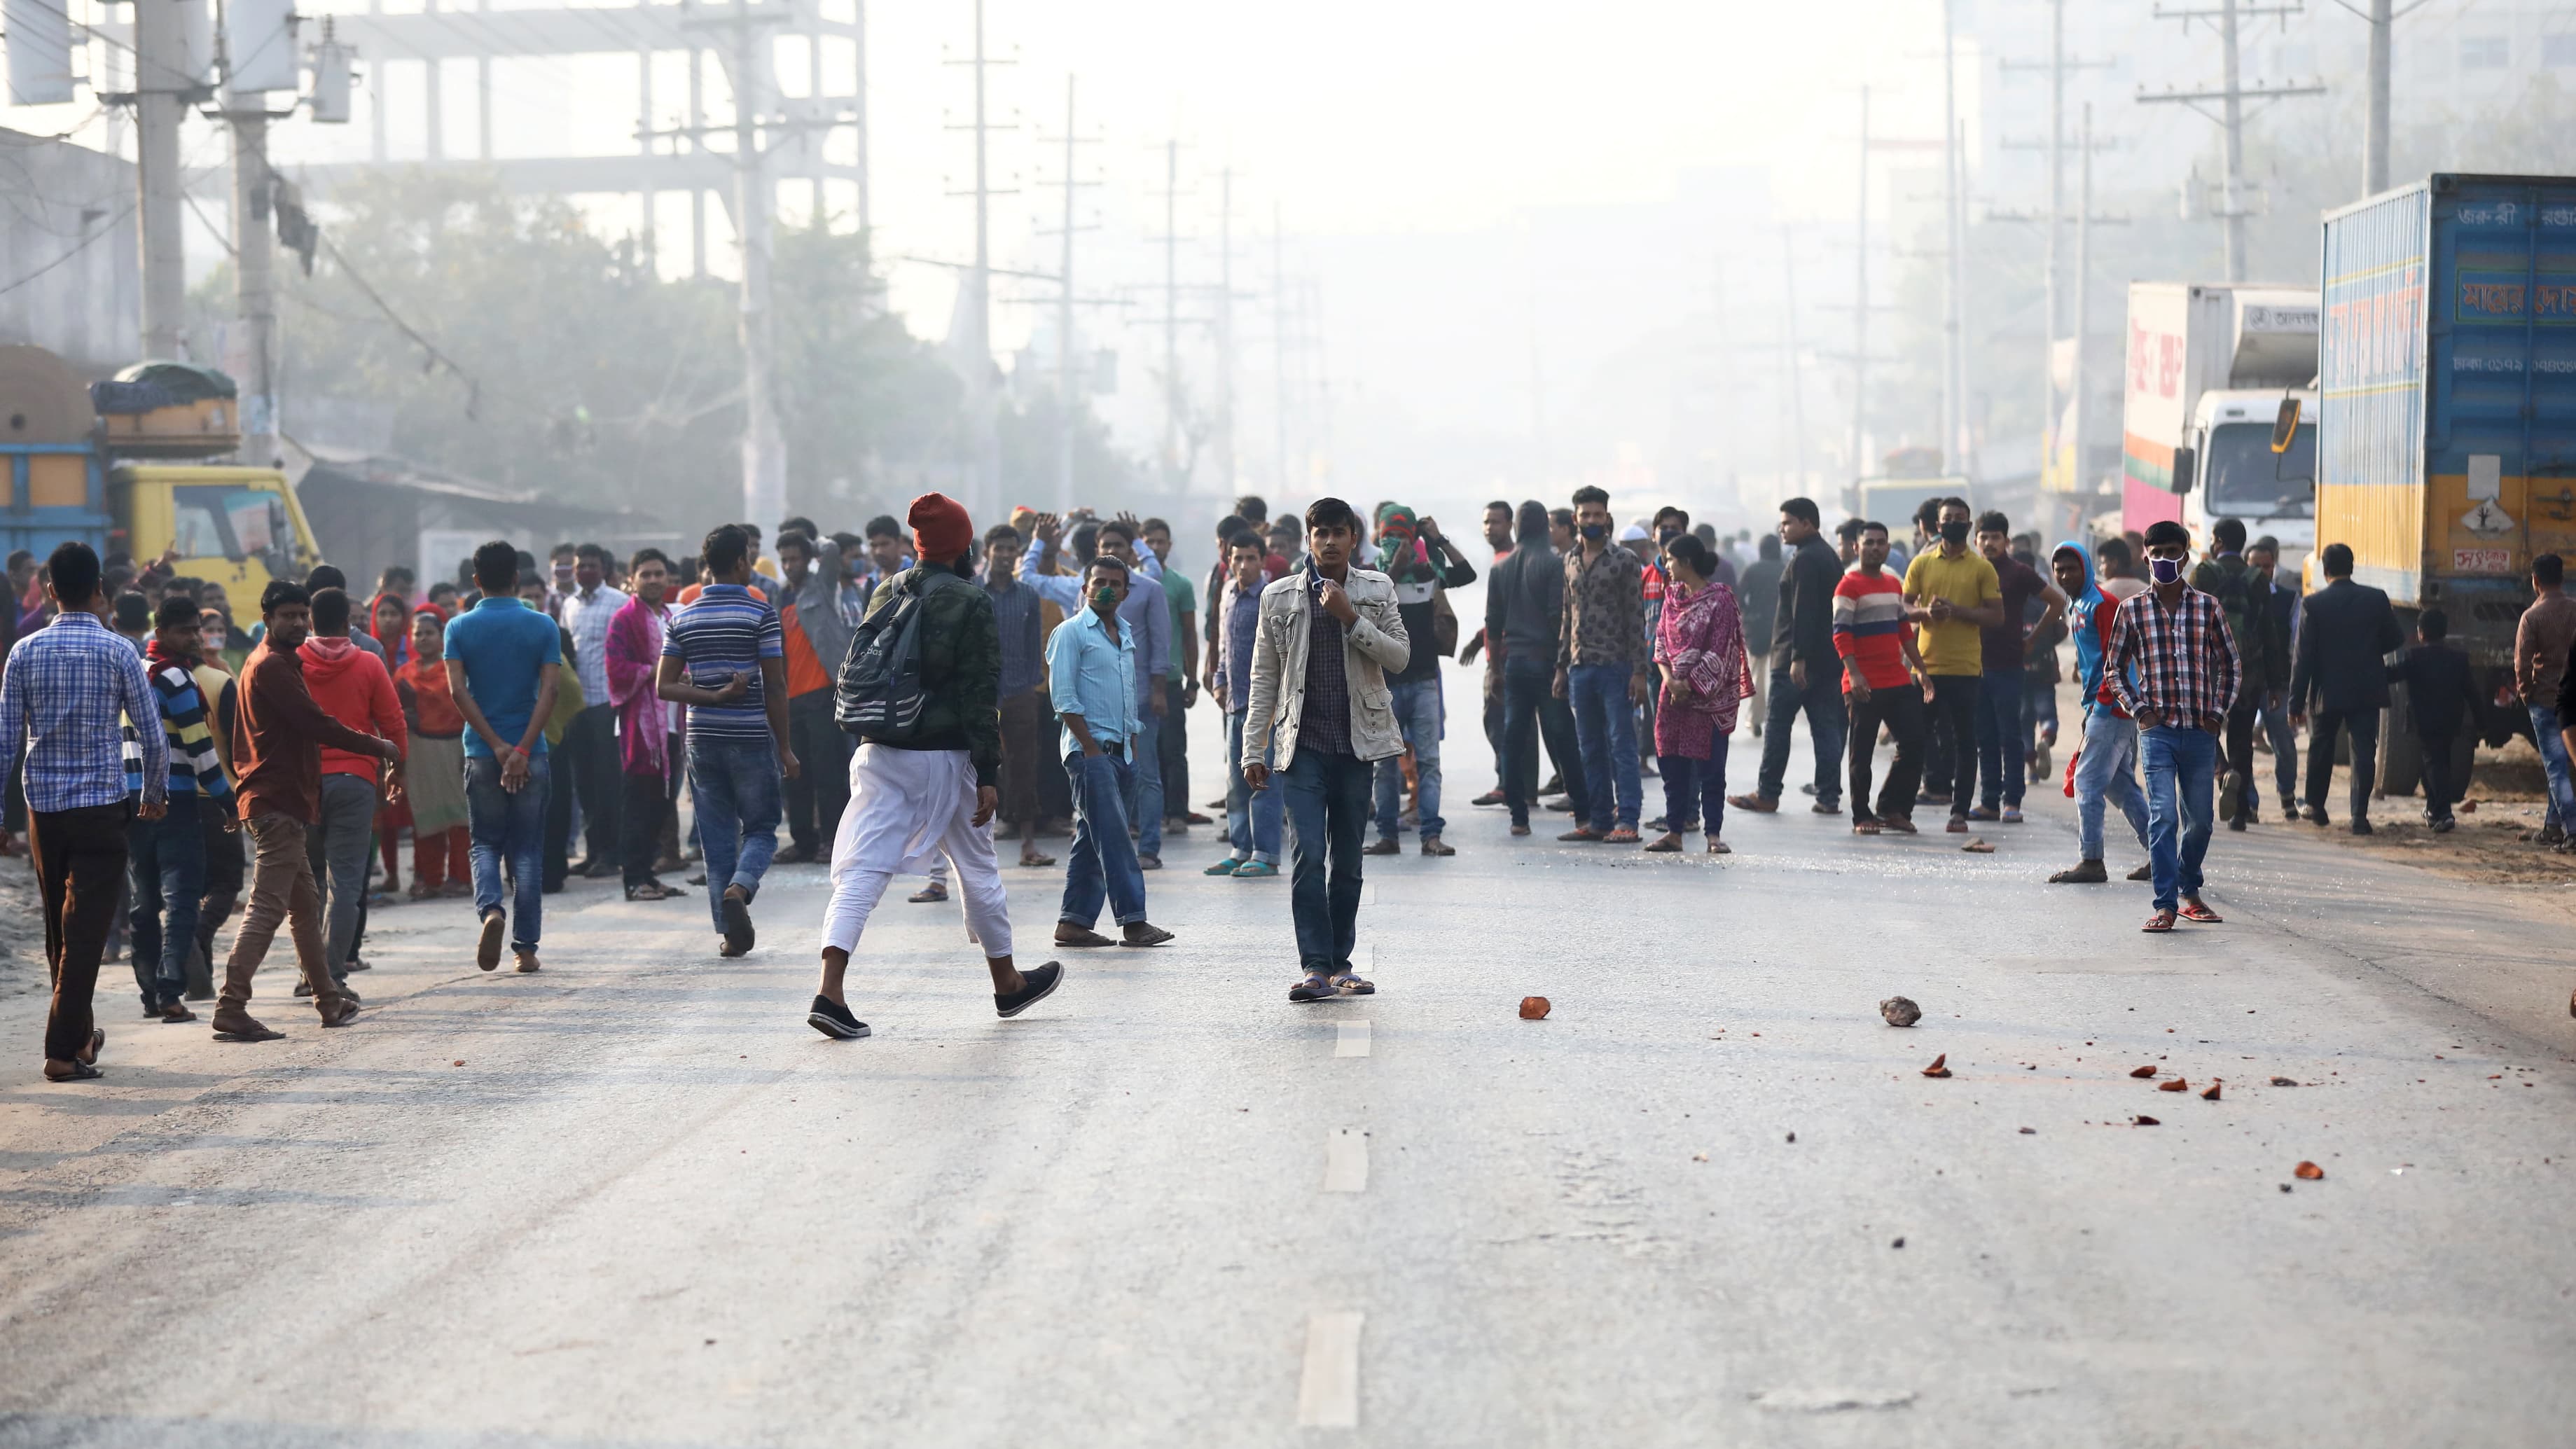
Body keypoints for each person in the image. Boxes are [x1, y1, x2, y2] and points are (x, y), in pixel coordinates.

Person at [808, 493, 1060, 1039]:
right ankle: (1007, 981)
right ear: (964, 545)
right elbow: (978, 693)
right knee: (978, 866)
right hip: (943, 758)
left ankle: (830, 991)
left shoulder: (886, 589)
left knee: (862, 871)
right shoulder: (969, 601)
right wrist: (989, 773)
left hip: (877, 750)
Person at [2, 544, 167, 1079]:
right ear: (101, 589)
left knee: (61, 930)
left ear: (50, 590)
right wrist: (154, 791)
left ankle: (79, 1041)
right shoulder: (120, 651)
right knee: (87, 932)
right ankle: (60, 1050)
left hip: (44, 809)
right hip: (101, 806)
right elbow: (152, 735)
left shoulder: (24, 652)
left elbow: (6, 743)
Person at [213, 581, 402, 1039]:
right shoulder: (272, 666)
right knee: (267, 906)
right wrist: (376, 745)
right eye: (289, 616)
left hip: (282, 800)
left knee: (305, 904)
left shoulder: (277, 662)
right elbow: (317, 723)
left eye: (303, 615)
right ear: (268, 619)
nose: (298, 622)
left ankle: (328, 998)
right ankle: (231, 1003)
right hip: (275, 801)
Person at [1242, 497, 1409, 1001]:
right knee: (1309, 856)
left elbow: (1400, 657)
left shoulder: (1376, 589)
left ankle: (1342, 963)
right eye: (1322, 533)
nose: (1331, 542)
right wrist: (1254, 747)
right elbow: (1264, 676)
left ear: (1353, 539)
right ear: (1309, 539)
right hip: (1303, 748)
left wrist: (1351, 618)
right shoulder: (1278, 596)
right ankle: (1315, 964)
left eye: (1340, 533)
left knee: (1349, 862)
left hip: (1358, 746)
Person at [659, 524, 796, 957]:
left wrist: (711, 696)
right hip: (751, 735)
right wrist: (786, 747)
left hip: (703, 738)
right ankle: (740, 888)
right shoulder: (761, 615)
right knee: (761, 829)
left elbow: (664, 686)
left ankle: (730, 934)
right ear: (741, 563)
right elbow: (775, 686)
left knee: (716, 837)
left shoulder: (683, 618)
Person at [2107, 520, 2242, 931]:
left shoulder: (2208, 607)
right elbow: (2114, 671)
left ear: (2186, 554)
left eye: (2173, 551)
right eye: (2157, 552)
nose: (2165, 559)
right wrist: (2139, 711)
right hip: (2157, 731)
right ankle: (2165, 903)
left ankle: (2189, 889)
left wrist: (2218, 713)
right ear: (2146, 555)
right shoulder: (2131, 610)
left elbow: (2231, 666)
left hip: (2200, 732)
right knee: (2164, 815)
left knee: (2200, 820)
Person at [1046, 553, 1174, 949]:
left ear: (1125, 591)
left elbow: (1128, 693)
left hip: (1124, 752)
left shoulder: (1126, 632)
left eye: (1114, 583)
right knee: (1116, 836)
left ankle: (1073, 922)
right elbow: (1064, 699)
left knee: (1093, 836)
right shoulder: (1071, 633)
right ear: (1085, 586)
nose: (1106, 588)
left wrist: (1132, 743)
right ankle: (1134, 922)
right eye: (1098, 580)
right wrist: (1090, 749)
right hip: (1090, 754)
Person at [445, 541, 562, 973]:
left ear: (476, 581)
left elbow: (458, 691)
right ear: (516, 577)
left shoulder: (457, 627)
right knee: (527, 848)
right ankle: (526, 948)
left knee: (485, 843)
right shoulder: (543, 625)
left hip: (481, 750)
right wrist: (523, 749)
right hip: (531, 751)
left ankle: (491, 910)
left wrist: (495, 745)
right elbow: (549, 690)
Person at [123, 597, 231, 1023]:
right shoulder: (177, 678)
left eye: (195, 630)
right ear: (161, 630)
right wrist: (225, 799)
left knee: (144, 900)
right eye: (185, 631)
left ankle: (149, 992)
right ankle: (170, 991)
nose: (193, 638)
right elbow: (201, 747)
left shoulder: (136, 671)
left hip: (133, 797)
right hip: (177, 798)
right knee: (182, 897)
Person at [298, 588, 407, 998]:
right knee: (346, 883)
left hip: (304, 784)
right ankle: (332, 976)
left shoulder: (291, 663)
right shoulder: (368, 662)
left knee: (308, 884)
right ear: (349, 624)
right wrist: (397, 770)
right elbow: (393, 723)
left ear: (310, 622)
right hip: (356, 780)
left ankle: (309, 974)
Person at [1364, 506, 1476, 857]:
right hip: (1386, 685)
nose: (1396, 542)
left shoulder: (1429, 575)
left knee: (1429, 762)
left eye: (1403, 534)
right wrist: (1399, 561)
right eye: (1390, 535)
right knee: (1384, 766)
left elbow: (1466, 574)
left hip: (1425, 681)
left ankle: (1431, 835)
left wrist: (1437, 538)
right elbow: (1381, 595)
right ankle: (1388, 835)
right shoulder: (1369, 576)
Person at [2047, 540, 2154, 885]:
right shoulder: (2077, 604)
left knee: (2088, 783)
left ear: (2086, 568)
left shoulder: (2102, 604)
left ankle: (2092, 860)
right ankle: (2162, 854)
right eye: (2059, 570)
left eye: (2071, 568)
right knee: (2119, 787)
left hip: (2113, 706)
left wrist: (2103, 704)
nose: (2065, 575)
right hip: (2102, 705)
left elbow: (2116, 659)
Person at [1733, 497, 1848, 817]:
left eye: (1787, 523)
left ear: (1807, 523)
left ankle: (1768, 794)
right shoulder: (1824, 555)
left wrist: (1798, 658)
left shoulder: (1807, 559)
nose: (1782, 529)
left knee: (1778, 727)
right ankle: (1828, 796)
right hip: (1826, 658)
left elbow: (1804, 612)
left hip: (1796, 661)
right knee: (1825, 728)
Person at [1644, 534, 1750, 854]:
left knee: (1711, 770)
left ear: (1687, 562)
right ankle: (1674, 832)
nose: (1668, 566)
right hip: (1672, 696)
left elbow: (1718, 651)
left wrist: (1689, 686)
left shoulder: (1720, 601)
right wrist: (1671, 682)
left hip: (1709, 698)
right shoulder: (1671, 596)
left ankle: (1713, 834)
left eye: (1671, 560)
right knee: (1672, 765)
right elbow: (1660, 643)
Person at [1901, 499, 2003, 832]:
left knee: (1964, 742)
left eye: (1961, 518)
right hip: (1926, 669)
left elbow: (1996, 616)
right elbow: (1902, 609)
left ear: (1969, 525)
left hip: (1965, 670)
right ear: (1938, 524)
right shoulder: (1921, 564)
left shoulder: (1982, 568)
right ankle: (1902, 810)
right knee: (1915, 740)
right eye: (1948, 519)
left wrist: (1957, 611)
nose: (1955, 523)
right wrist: (1926, 614)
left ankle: (1959, 812)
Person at [1489, 501, 1590, 836]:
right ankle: (1583, 813)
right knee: (1564, 737)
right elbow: (1556, 619)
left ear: (1516, 526)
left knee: (1514, 738)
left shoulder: (1502, 568)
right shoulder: (1553, 564)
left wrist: (1495, 670)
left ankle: (1519, 816)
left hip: (1514, 664)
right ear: (1544, 528)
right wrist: (1562, 666)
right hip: (1546, 663)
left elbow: (1493, 624)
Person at [2288, 542, 2403, 834]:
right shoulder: (2376, 599)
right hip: (2367, 687)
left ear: (2324, 570)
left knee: (2321, 746)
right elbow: (2396, 639)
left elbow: (2303, 658)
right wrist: (2369, 650)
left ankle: (2316, 807)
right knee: (2364, 749)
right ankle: (2359, 816)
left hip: (2326, 689)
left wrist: (2295, 703)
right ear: (2352, 567)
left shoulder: (2313, 604)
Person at [1553, 486, 1647, 843]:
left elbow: (1635, 618)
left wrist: (1640, 672)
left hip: (1616, 667)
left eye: (1597, 514)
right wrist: (1561, 667)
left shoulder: (1624, 561)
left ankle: (1628, 821)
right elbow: (1567, 616)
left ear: (1607, 518)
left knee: (1621, 745)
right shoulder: (1570, 561)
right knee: (1589, 748)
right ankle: (1598, 820)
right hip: (1580, 666)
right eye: (1585, 515)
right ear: (1576, 519)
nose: (1592, 520)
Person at [2189, 518, 2289, 830]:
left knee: (2204, 729)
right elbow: (2270, 633)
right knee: (2242, 739)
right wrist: (2275, 683)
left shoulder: (2202, 574)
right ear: (2242, 544)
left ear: (2217, 541)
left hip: (2208, 671)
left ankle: (2223, 772)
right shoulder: (2258, 578)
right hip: (2249, 673)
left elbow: (2189, 624)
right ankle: (2241, 813)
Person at [1834, 522, 1932, 835]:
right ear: (1856, 548)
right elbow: (1841, 634)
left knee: (1915, 743)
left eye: (1880, 543)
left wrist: (1922, 672)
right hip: (1862, 683)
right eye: (1869, 543)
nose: (1875, 548)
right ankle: (1861, 815)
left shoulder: (1893, 584)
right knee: (1861, 752)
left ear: (1888, 548)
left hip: (1897, 679)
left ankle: (1893, 808)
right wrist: (1854, 673)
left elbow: (1904, 633)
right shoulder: (1847, 586)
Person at [1969, 511, 2065, 825]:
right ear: (1975, 540)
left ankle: (2012, 801)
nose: (1989, 542)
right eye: (1984, 537)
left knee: (2010, 736)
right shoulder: (1969, 571)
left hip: (2009, 665)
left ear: (2006, 541)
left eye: (1995, 537)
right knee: (1984, 737)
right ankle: (1988, 802)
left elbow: (2057, 602)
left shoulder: (2018, 573)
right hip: (1973, 666)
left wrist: (2033, 638)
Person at [606, 549, 688, 901]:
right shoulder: (624, 620)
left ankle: (649, 874)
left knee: (661, 804)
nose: (654, 580)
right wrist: (658, 671)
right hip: (639, 728)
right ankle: (634, 879)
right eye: (646, 574)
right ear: (633, 578)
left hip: (670, 722)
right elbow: (615, 670)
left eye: (659, 573)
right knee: (638, 803)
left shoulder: (671, 616)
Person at [773, 528, 857, 866]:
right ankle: (803, 841)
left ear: (808, 560)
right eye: (785, 560)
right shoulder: (781, 598)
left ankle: (830, 840)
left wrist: (814, 538)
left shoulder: (819, 587)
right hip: (790, 699)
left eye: (795, 558)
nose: (790, 565)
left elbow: (833, 551)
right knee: (796, 776)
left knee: (828, 773)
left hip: (824, 693)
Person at [1207, 532, 1286, 878]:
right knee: (1235, 781)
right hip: (1235, 702)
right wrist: (1219, 680)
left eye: (1251, 558)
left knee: (1264, 781)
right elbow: (1225, 645)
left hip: (1265, 706)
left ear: (1263, 560)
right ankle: (1240, 848)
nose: (1243, 566)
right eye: (1237, 558)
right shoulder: (1229, 593)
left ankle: (1266, 853)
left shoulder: (1274, 597)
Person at [980, 525, 1057, 868]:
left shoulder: (1027, 594)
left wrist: (1030, 684)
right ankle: (978, 845)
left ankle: (1028, 842)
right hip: (981, 695)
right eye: (999, 549)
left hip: (1020, 692)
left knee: (1025, 765)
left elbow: (1033, 645)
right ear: (987, 552)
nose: (1006, 555)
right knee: (978, 767)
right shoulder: (973, 593)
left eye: (1011, 549)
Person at [557, 543, 629, 878]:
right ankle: (593, 849)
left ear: (603, 569)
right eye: (580, 566)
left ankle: (612, 853)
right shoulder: (567, 605)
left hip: (607, 703)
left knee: (608, 782)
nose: (584, 570)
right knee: (583, 782)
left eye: (591, 565)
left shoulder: (619, 602)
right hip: (577, 706)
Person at [394, 606, 471, 899]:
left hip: (455, 747)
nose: (423, 638)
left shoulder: (454, 668)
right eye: (418, 634)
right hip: (419, 750)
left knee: (459, 817)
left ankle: (461, 877)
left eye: (429, 633)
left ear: (441, 636)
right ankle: (430, 878)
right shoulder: (403, 673)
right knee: (425, 818)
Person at [2389, 608, 2482, 833]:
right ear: (2445, 633)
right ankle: (2433, 809)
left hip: (2424, 722)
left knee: (2434, 764)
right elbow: (2472, 694)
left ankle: (2444, 813)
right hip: (2451, 722)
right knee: (2437, 763)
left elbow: (2392, 674)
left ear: (2420, 633)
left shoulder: (2413, 657)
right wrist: (2482, 722)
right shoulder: (2459, 660)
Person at [1141, 517, 1204, 836]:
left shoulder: (1180, 585)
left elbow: (1190, 634)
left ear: (1169, 545)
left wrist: (1192, 681)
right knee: (1141, 752)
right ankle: (1143, 815)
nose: (1155, 547)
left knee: (1173, 749)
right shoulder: (1129, 584)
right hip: (1137, 680)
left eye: (1160, 542)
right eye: (1149, 541)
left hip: (1170, 679)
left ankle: (1177, 811)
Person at [2513, 552, 2576, 847]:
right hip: (2572, 700)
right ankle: (2552, 826)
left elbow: (2522, 664)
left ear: (2535, 581)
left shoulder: (2532, 617)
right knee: (2563, 765)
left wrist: (2527, 694)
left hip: (2545, 699)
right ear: (2562, 579)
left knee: (2555, 768)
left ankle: (2573, 829)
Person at [2247, 536, 2301, 819]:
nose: (2262, 571)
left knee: (2285, 744)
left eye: (2267, 566)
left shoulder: (2288, 599)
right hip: (2243, 684)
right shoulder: (2235, 598)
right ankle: (2249, 803)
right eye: (2256, 565)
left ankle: (2287, 794)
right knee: (2242, 746)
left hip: (2276, 685)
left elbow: (2295, 644)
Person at [1736, 532, 1783, 737]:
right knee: (1779, 674)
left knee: (1757, 674)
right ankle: (1777, 716)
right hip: (1782, 627)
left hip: (1757, 627)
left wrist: (1748, 612)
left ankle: (1756, 718)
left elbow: (1738, 596)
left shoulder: (1752, 570)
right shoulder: (1785, 569)